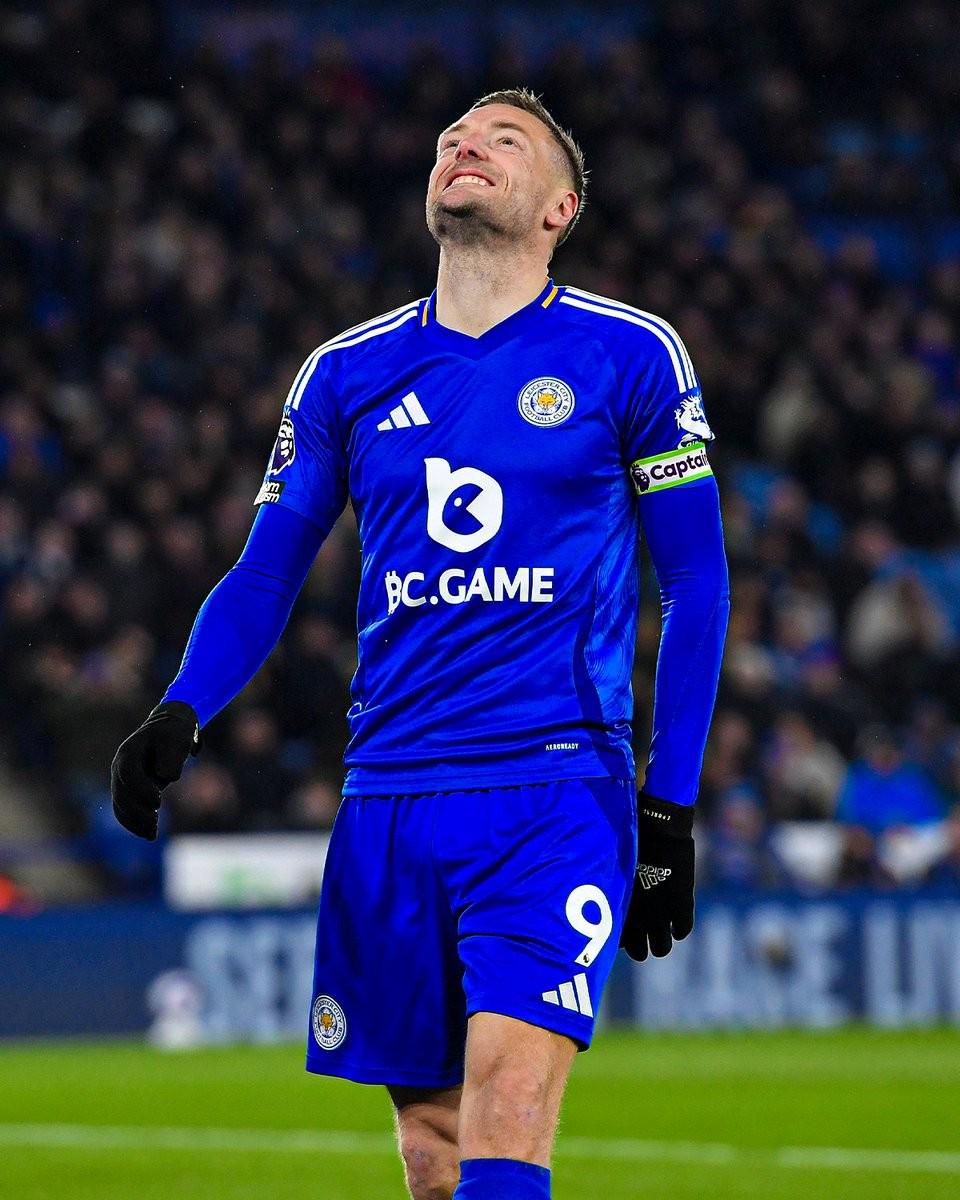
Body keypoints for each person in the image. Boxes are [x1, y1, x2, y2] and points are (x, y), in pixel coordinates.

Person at [111, 89, 729, 1200]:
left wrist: (668, 807)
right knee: (434, 1155)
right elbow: (265, 574)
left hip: (552, 787)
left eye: (504, 140)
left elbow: (694, 582)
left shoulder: (630, 352)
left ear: (560, 208)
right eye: (454, 138)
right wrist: (180, 707)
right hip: (388, 795)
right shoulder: (344, 372)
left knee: (507, 1109)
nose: (465, 145)